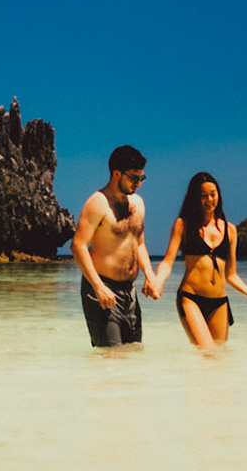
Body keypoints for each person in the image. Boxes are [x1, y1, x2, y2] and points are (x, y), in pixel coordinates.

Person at [151, 171, 247, 347]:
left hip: (219, 303)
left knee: (219, 357)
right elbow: (167, 262)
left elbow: (231, 275)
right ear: (195, 198)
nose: (209, 199)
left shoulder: (230, 230)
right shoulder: (183, 225)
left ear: (218, 195)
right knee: (208, 352)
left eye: (212, 194)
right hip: (191, 298)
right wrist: (158, 281)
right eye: (203, 195)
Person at [70, 145, 162, 347]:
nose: (139, 184)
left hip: (130, 292)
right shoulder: (98, 203)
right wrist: (98, 286)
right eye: (134, 178)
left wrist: (150, 275)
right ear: (116, 174)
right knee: (110, 357)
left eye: (142, 178)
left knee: (134, 352)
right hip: (103, 288)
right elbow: (78, 245)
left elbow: (139, 243)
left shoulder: (138, 203)